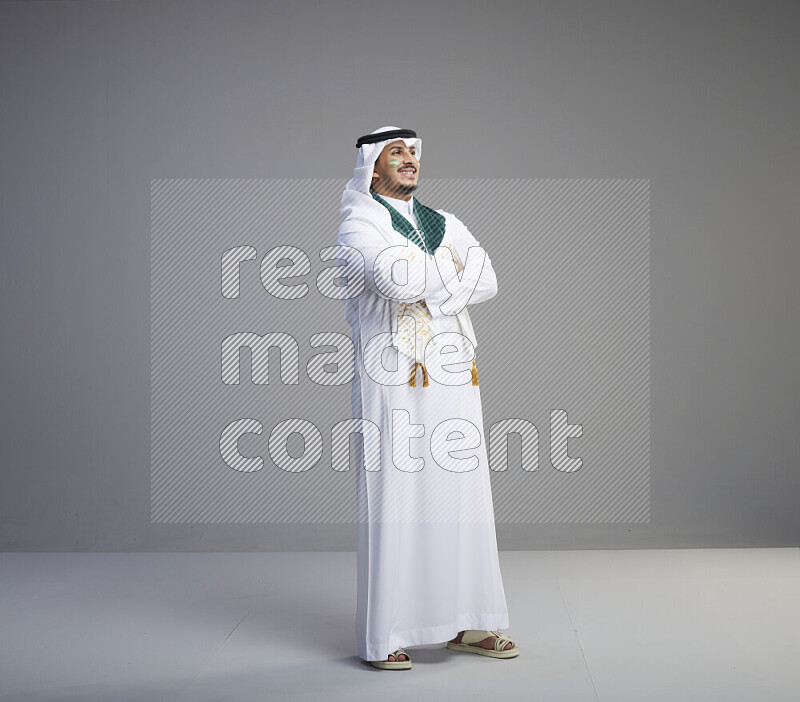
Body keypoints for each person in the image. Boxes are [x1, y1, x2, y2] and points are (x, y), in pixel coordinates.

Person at [336, 126, 519, 670]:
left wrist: (427, 277)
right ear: (373, 166)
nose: (410, 161)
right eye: (397, 153)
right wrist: (449, 272)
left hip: (454, 371)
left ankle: (467, 621)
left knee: (461, 492)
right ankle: (386, 633)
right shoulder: (358, 222)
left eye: (413, 152)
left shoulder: (445, 220)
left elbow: (488, 277)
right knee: (397, 494)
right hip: (393, 372)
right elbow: (394, 281)